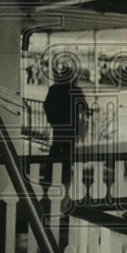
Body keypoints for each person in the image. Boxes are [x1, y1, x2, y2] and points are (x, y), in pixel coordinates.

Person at [41, 61, 89, 193]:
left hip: (58, 124)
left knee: (55, 148)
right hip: (72, 125)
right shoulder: (76, 90)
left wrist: (51, 119)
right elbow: (84, 107)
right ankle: (66, 175)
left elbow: (47, 105)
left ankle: (50, 174)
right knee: (68, 150)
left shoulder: (54, 89)